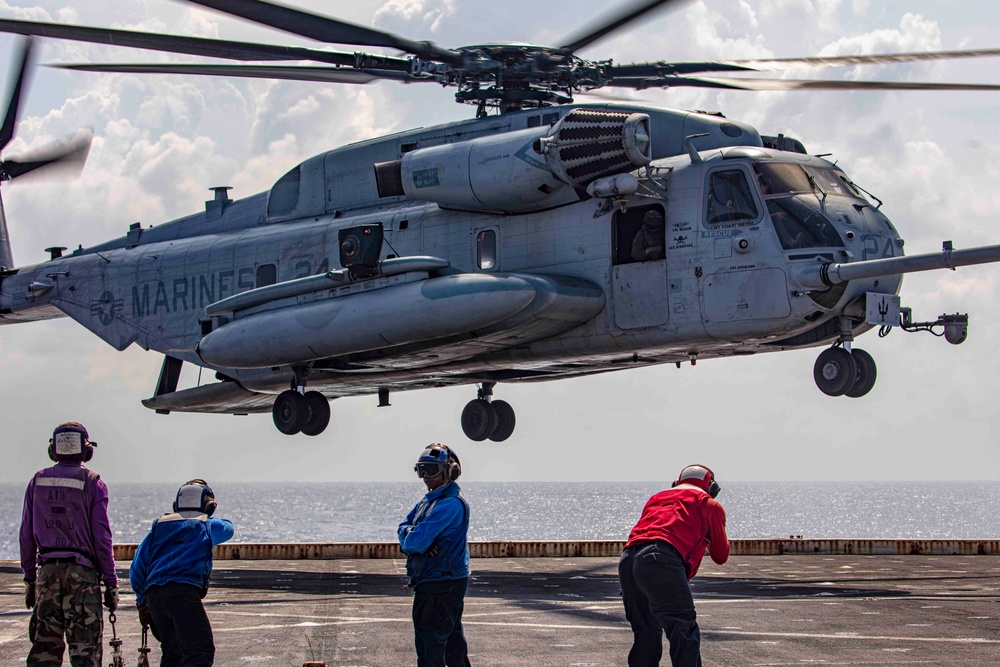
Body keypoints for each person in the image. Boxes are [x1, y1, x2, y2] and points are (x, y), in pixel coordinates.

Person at [19, 422, 119, 667]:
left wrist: (30, 579)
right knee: (86, 655)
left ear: (53, 450)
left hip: (47, 575)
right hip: (82, 577)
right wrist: (111, 583)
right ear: (87, 452)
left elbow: (26, 536)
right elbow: (102, 538)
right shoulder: (93, 482)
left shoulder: (37, 481)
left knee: (44, 652)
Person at [618, 464, 730, 667]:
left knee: (646, 633)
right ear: (712, 487)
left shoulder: (656, 499)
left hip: (628, 561)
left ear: (676, 483)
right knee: (683, 631)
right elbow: (721, 555)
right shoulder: (709, 505)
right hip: (660, 560)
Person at [130, 480, 234, 667]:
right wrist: (208, 515)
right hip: (183, 595)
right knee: (199, 652)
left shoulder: (159, 525)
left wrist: (141, 601)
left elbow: (137, 566)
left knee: (173, 654)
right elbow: (229, 529)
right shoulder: (208, 525)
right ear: (209, 506)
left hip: (155, 598)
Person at [398, 444, 472, 667]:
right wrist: (411, 535)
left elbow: (415, 541)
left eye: (431, 470)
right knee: (452, 645)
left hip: (440, 584)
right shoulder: (428, 501)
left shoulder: (449, 505)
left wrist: (413, 537)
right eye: (421, 470)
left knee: (430, 645)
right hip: (438, 582)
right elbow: (403, 528)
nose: (425, 476)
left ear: (450, 471)